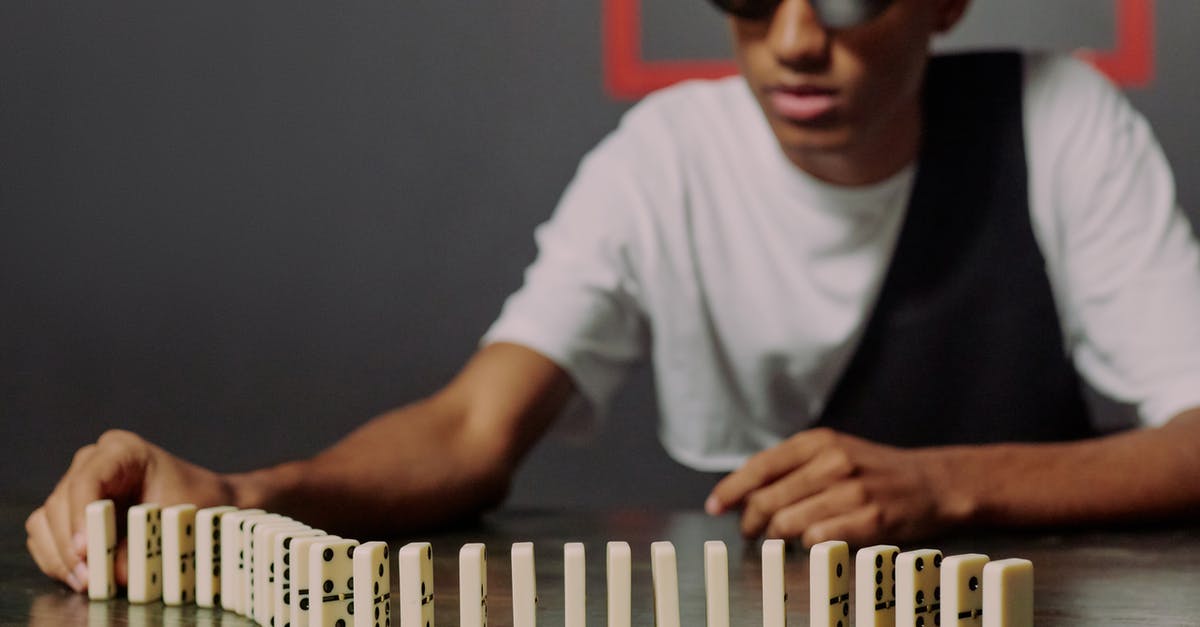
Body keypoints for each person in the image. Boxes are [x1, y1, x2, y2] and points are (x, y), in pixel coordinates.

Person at [27, 0, 1200, 594]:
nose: (795, 39)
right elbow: (473, 428)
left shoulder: (1059, 119)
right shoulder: (665, 156)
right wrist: (244, 495)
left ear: (944, 0)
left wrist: (947, 483)